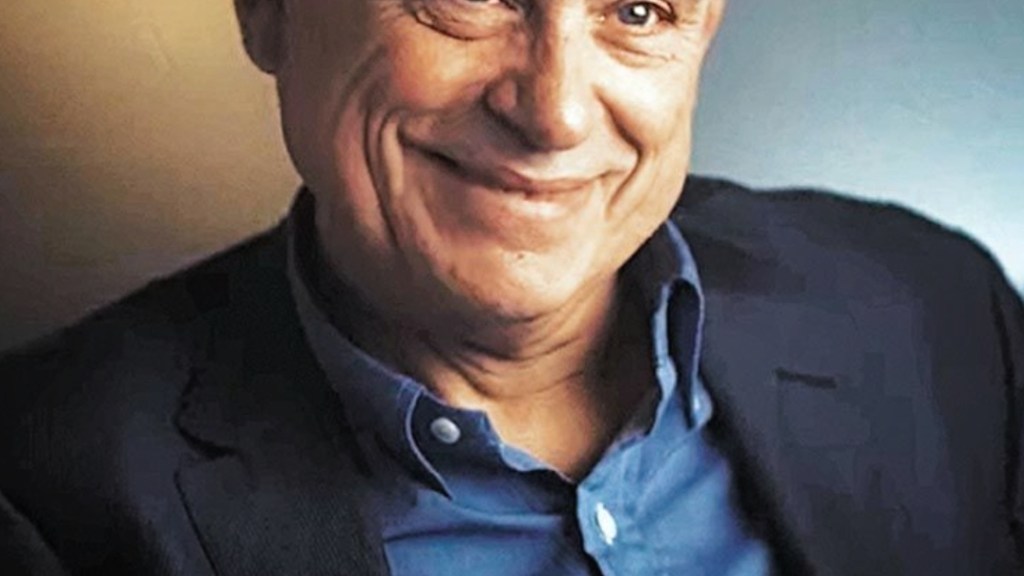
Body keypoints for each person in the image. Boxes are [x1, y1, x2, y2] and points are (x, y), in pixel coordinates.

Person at [1, 0, 1021, 573]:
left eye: (636, 8)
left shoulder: (933, 310)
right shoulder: (46, 501)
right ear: (268, 10)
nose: (555, 112)